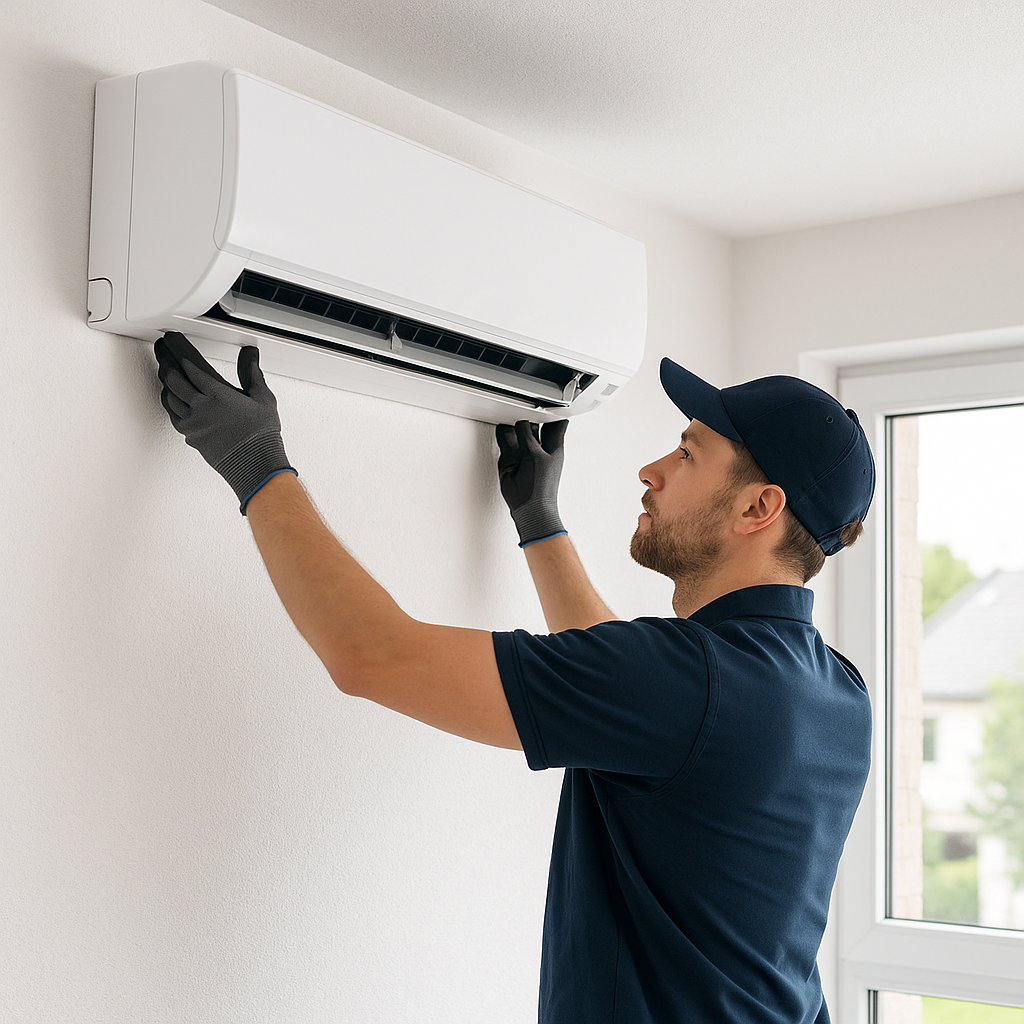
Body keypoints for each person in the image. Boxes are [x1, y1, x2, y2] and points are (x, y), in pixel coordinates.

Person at [154, 331, 875, 1024]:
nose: (651, 470)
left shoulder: (689, 683)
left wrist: (256, 462)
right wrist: (540, 522)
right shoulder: (838, 693)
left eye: (688, 454)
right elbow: (631, 689)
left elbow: (371, 654)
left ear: (759, 508)